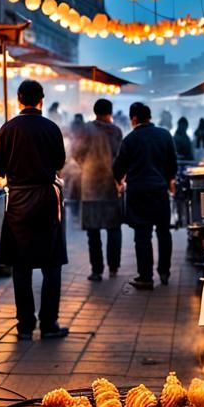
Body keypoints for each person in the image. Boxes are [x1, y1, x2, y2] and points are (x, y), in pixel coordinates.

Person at [0, 79, 69, 341]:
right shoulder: (51, 128)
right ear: (41, 100)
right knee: (51, 265)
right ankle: (48, 325)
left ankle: (24, 326)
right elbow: (59, 162)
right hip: (47, 199)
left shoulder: (8, 129)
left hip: (19, 202)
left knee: (21, 266)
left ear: (19, 99)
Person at [113, 101, 177, 290]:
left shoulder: (130, 139)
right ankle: (164, 272)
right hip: (159, 191)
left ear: (133, 118)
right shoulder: (164, 135)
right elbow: (172, 162)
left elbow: (118, 167)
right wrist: (170, 179)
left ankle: (146, 277)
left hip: (138, 192)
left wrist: (119, 182)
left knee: (142, 234)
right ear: (149, 117)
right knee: (164, 232)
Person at [74, 98, 124, 281]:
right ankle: (113, 267)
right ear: (110, 112)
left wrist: (86, 166)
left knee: (92, 232)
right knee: (113, 229)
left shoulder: (86, 129)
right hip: (111, 186)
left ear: (95, 112)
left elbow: (76, 152)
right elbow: (121, 158)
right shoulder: (117, 131)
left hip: (91, 187)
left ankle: (96, 270)